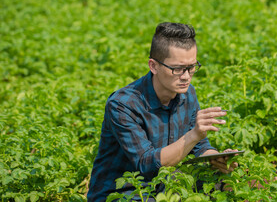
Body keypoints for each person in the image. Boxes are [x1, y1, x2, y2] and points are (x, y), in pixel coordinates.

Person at [87, 22, 238, 201]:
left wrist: (216, 159)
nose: (186, 76)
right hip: (122, 194)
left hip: (164, 187)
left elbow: (199, 147)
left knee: (240, 183)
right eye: (177, 69)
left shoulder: (187, 94)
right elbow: (147, 164)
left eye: (191, 67)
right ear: (154, 66)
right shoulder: (123, 104)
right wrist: (194, 134)